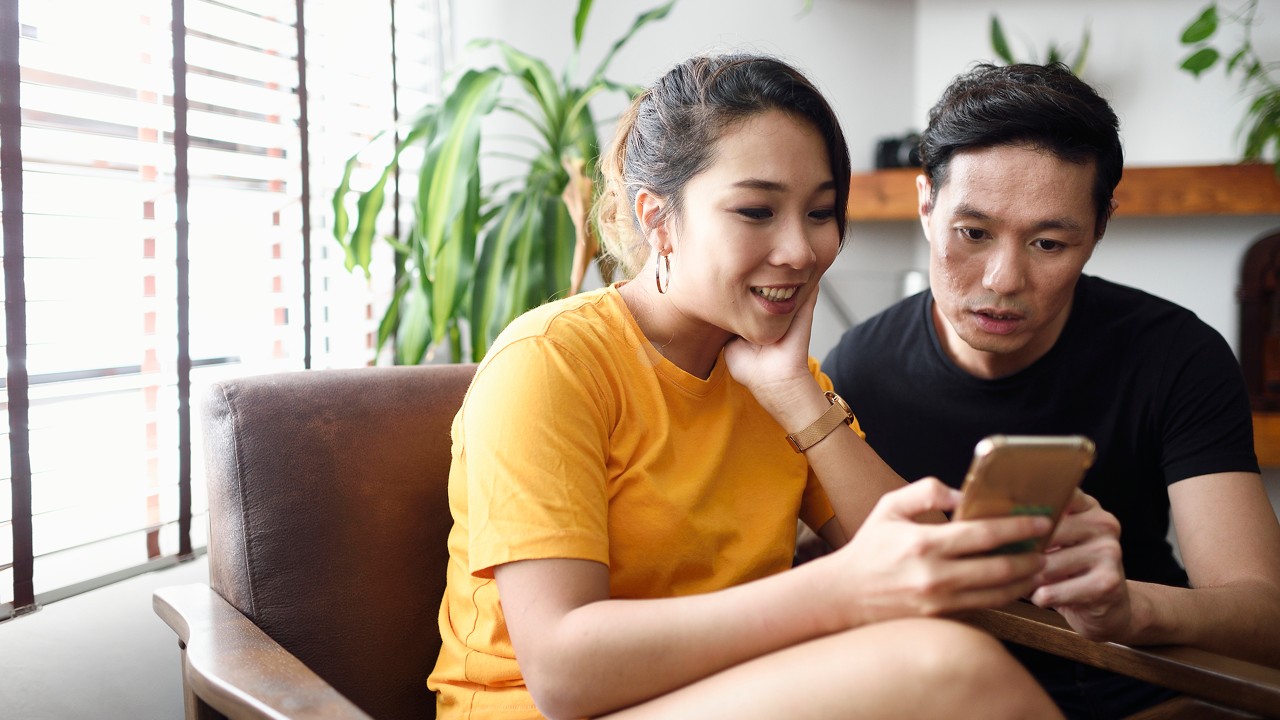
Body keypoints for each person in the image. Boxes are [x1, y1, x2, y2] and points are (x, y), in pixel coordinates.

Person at [426, 53, 1066, 719]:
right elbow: (564, 673)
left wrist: (793, 391)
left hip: (718, 692)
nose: (800, 250)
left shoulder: (779, 379)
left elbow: (934, 572)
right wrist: (838, 589)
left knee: (945, 648)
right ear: (658, 219)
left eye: (821, 213)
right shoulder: (552, 361)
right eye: (756, 210)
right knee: (950, 670)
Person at [822, 62, 1280, 718]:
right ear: (926, 206)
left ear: (1099, 228)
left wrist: (1127, 608)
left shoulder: (1176, 355)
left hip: (1142, 695)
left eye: (1048, 242)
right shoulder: (858, 368)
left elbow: (1265, 618)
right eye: (972, 233)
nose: (1005, 279)